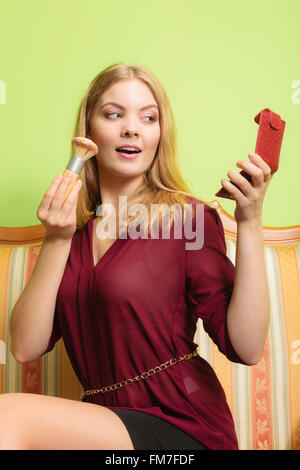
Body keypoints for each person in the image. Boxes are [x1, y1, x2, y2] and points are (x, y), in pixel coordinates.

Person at [2, 63, 272, 450]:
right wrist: (56, 239)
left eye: (148, 117)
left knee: (7, 417)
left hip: (184, 425)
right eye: (114, 114)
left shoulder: (188, 220)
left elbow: (246, 347)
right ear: (88, 132)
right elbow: (25, 347)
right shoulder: (73, 233)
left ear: (159, 135)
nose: (132, 128)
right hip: (104, 427)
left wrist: (250, 221)